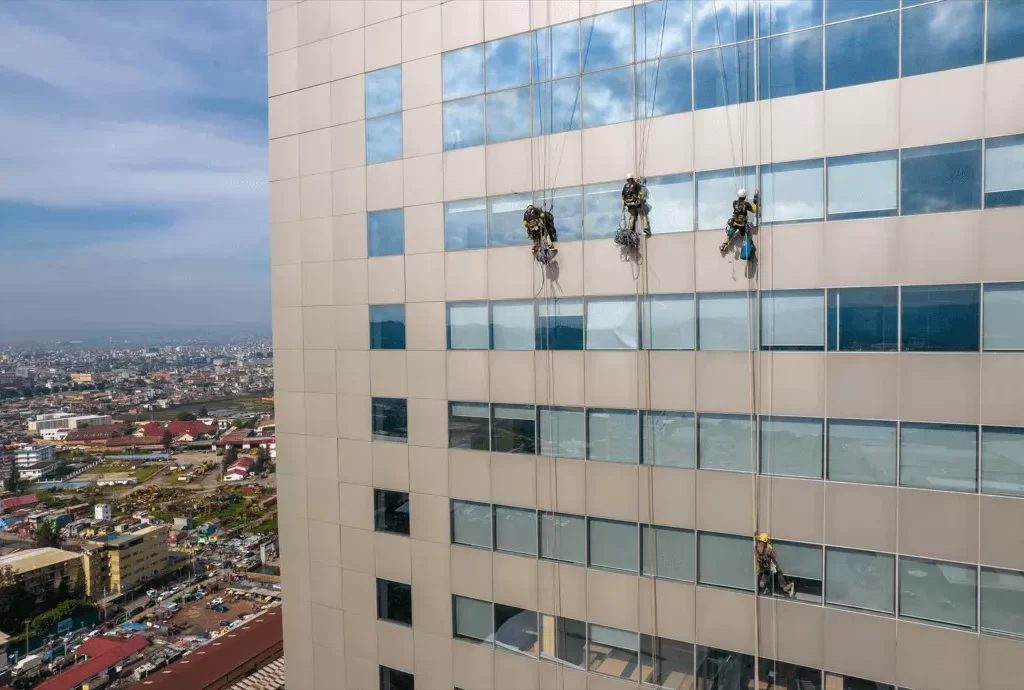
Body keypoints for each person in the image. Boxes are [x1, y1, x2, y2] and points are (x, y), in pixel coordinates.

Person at [720, 188, 759, 260]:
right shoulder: (746, 204)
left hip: (735, 223)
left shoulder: (734, 203)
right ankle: (748, 250)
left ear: (738, 195)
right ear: (745, 196)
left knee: (730, 233)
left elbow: (737, 210)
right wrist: (755, 202)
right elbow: (753, 210)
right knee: (745, 235)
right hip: (742, 225)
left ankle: (724, 244)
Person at [755, 532, 794, 597]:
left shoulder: (756, 547)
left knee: (765, 573)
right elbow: (773, 556)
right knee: (779, 572)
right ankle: (784, 586)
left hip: (762, 565)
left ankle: (763, 583)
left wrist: (756, 535)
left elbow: (759, 541)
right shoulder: (769, 549)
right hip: (769, 564)